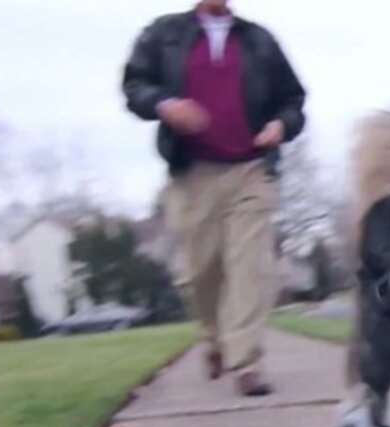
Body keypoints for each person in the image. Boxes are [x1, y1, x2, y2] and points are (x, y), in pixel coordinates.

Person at [122, 0, 306, 396]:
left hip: (251, 169)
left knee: (249, 266)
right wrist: (165, 104)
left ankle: (247, 363)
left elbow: (293, 100)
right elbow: (134, 86)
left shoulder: (258, 40)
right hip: (193, 172)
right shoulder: (164, 34)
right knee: (199, 273)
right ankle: (214, 335)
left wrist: (280, 125)